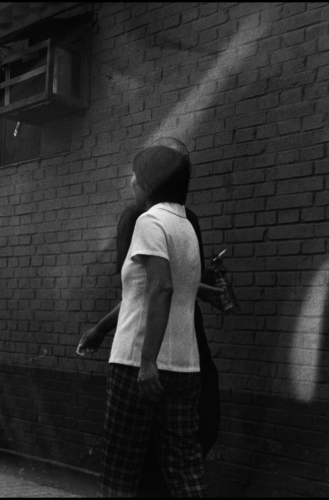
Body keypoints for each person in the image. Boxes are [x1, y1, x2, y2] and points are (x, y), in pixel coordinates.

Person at [78, 144, 223, 497]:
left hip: (136, 364)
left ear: (150, 183)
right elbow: (171, 286)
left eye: (134, 175)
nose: (130, 182)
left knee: (120, 468)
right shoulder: (185, 224)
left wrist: (146, 362)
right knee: (184, 467)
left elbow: (160, 289)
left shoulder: (148, 221)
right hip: (185, 366)